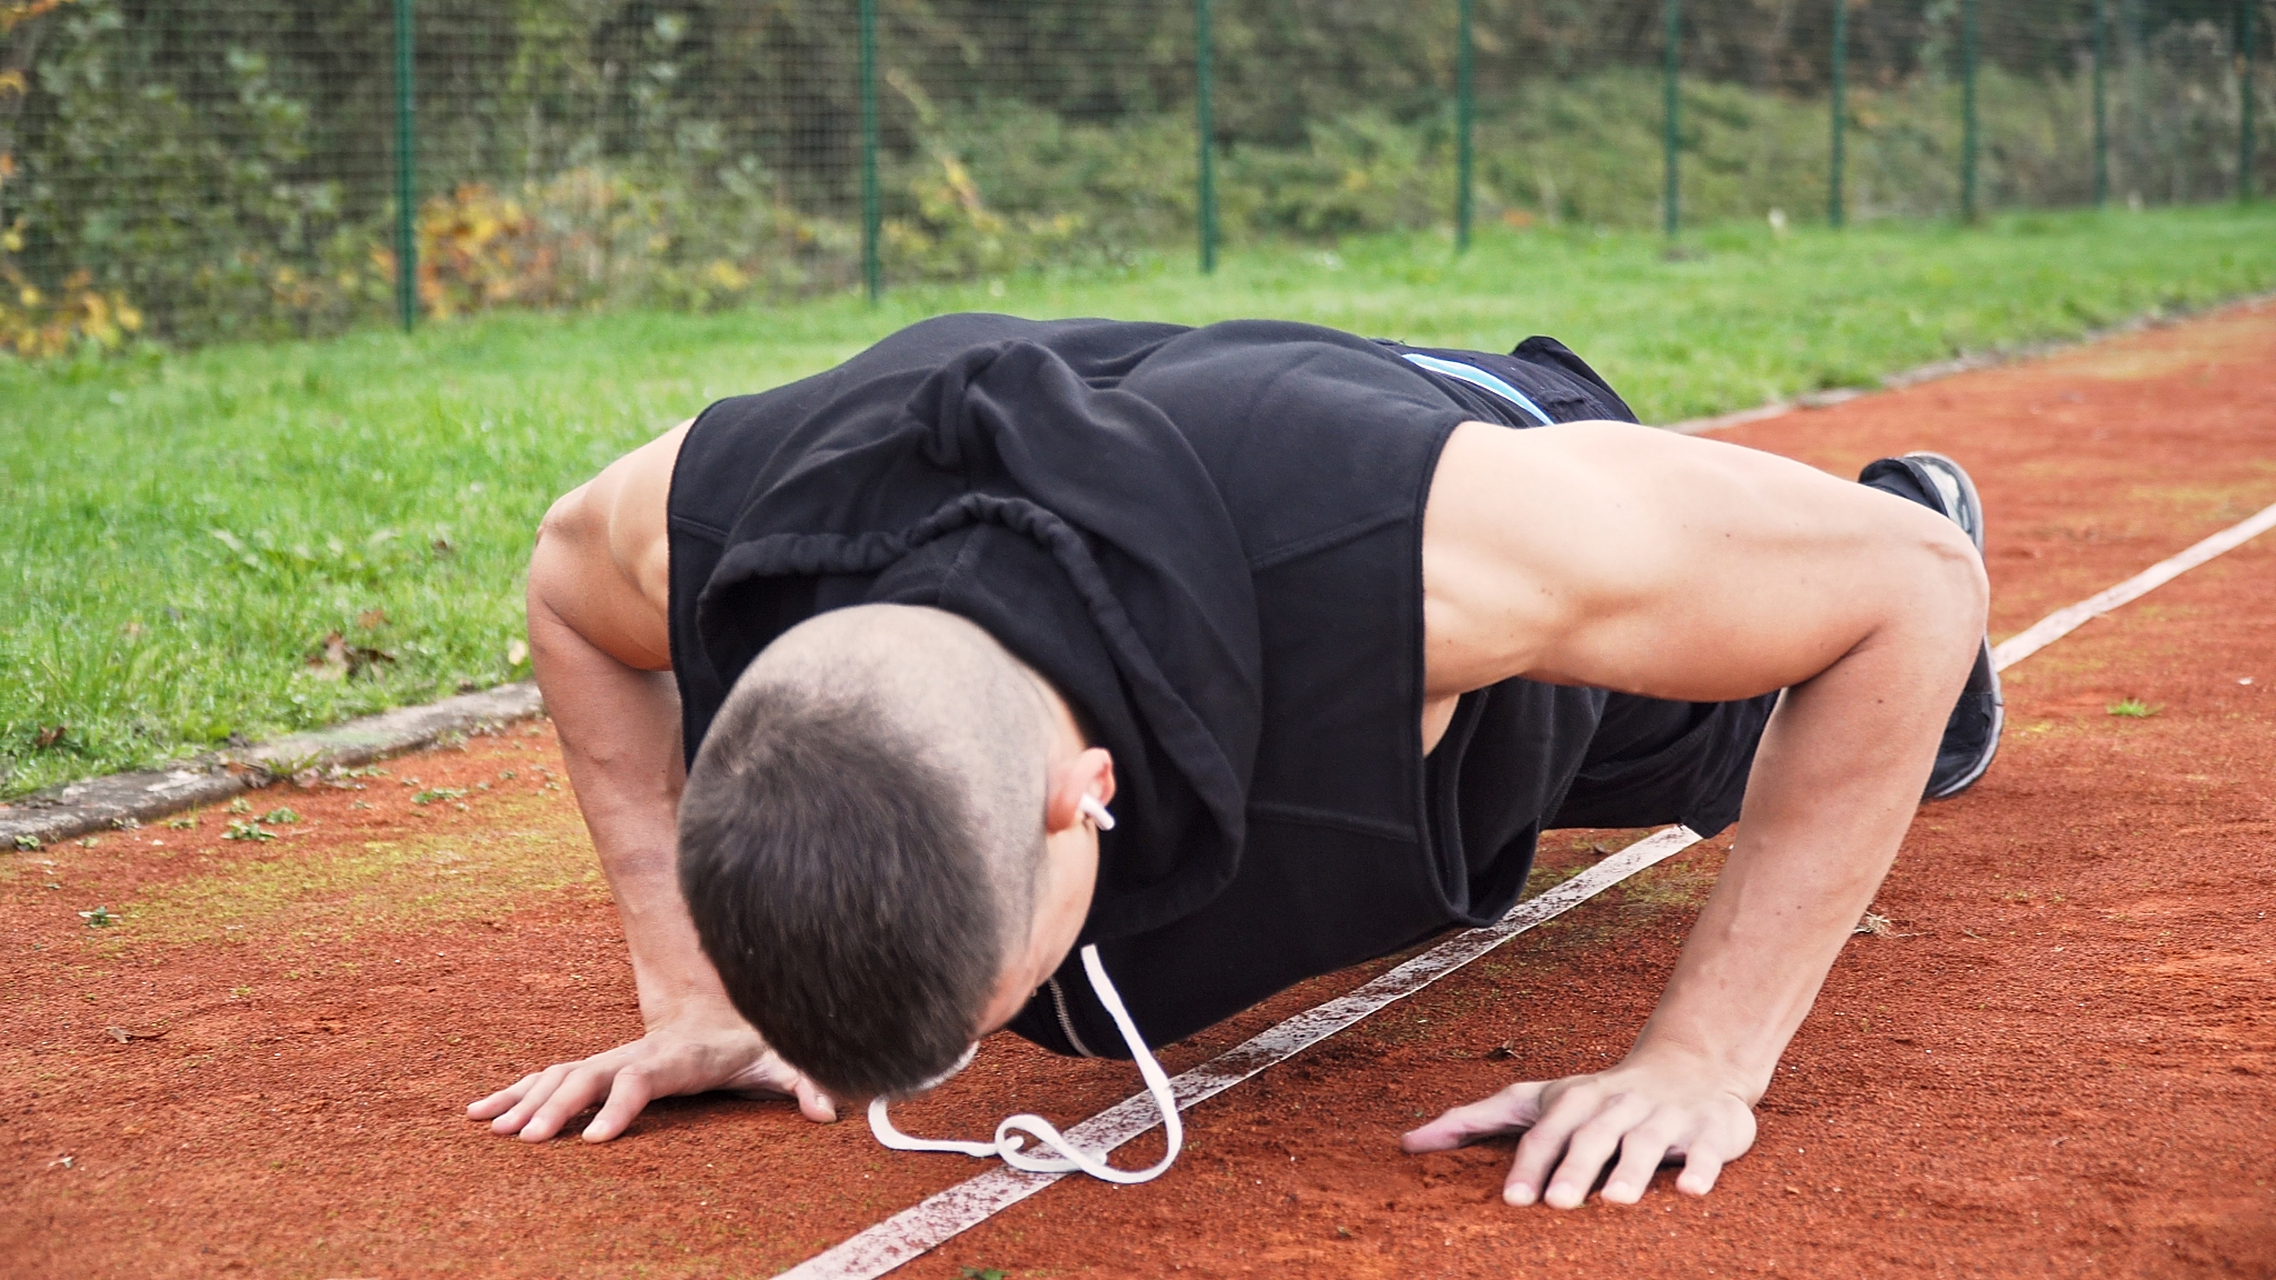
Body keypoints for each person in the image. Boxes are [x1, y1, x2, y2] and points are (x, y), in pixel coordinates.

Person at [467, 314, 2000, 1210]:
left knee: (1751, 730)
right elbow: (561, 583)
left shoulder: (1429, 567)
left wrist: (1700, 1064)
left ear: (1090, 795)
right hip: (1179, 452)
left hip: (1456, 495)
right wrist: (698, 988)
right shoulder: (730, 537)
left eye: (973, 1020)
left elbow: (1911, 586)